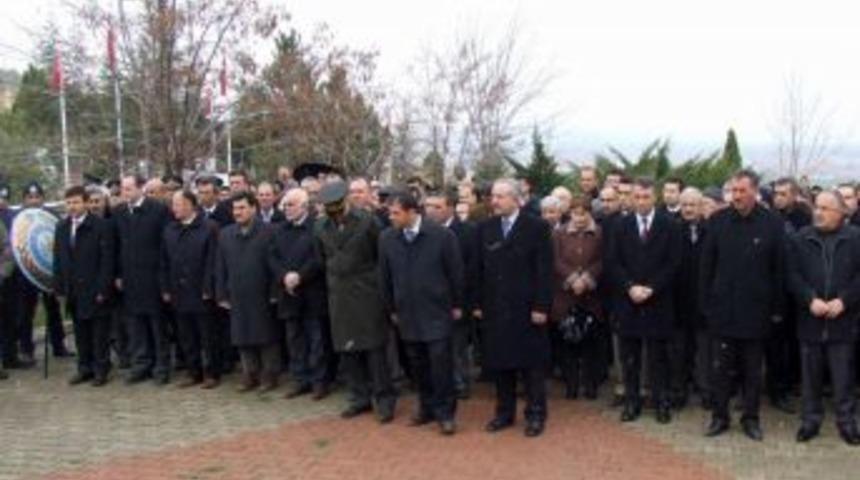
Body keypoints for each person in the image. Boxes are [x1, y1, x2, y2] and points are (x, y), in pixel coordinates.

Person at [701, 170, 786, 441]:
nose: (736, 196)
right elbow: (706, 266)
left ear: (755, 192)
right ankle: (719, 416)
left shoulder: (772, 223)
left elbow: (779, 270)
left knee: (752, 370)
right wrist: (707, 304)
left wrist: (777, 309)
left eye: (741, 191)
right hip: (722, 310)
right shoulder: (717, 221)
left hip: (756, 312)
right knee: (720, 369)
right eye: (733, 191)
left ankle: (751, 418)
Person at [379, 191, 464, 436]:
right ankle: (426, 408)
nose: (391, 217)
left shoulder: (442, 236)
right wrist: (391, 308)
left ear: (411, 211)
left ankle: (445, 414)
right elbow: (384, 277)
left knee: (440, 365)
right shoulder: (387, 238)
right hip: (406, 313)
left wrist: (457, 304)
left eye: (396, 213)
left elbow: (456, 273)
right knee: (418, 365)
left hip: (437, 311)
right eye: (389, 212)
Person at [474, 179, 553, 438]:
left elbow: (544, 271)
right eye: (493, 196)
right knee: (500, 363)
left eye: (500, 196)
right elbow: (478, 269)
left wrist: (541, 305)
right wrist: (477, 303)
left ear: (517, 199)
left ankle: (536, 414)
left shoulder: (537, 227)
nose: (494, 201)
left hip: (527, 308)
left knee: (531, 366)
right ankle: (504, 413)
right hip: (496, 308)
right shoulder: (485, 228)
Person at [316, 181, 397, 424]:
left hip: (367, 294)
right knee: (348, 351)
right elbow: (322, 258)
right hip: (339, 295)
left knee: (374, 351)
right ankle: (359, 397)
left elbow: (380, 257)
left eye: (339, 208)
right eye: (331, 209)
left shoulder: (368, 222)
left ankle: (384, 399)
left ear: (347, 202)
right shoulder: (320, 227)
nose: (336, 214)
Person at [788, 190, 860, 445]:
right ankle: (810, 421)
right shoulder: (801, 238)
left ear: (841, 213)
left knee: (843, 377)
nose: (818, 212)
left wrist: (844, 300)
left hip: (843, 321)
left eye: (826, 208)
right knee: (810, 377)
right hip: (811, 320)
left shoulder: (855, 238)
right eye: (817, 207)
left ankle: (847, 422)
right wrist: (810, 299)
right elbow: (792, 275)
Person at [610, 178, 682, 424]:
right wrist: (629, 287)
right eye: (637, 197)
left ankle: (661, 402)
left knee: (658, 358)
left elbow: (673, 263)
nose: (641, 202)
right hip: (628, 301)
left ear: (655, 198)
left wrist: (651, 288)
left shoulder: (670, 225)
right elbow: (613, 262)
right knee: (630, 357)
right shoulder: (621, 226)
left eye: (645, 197)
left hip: (658, 300)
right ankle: (632, 402)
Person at [216, 192, 280, 392]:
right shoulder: (226, 234)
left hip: (262, 293)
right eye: (235, 209)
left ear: (254, 208)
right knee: (241, 335)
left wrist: (274, 292)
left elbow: (276, 264)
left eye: (242, 208)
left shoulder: (270, 231)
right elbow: (220, 266)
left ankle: (269, 375)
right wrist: (221, 293)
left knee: (266, 336)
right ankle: (249, 373)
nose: (238, 212)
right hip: (237, 293)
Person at [269, 188, 330, 401]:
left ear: (304, 206)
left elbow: (318, 258)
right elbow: (272, 257)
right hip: (288, 294)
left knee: (316, 340)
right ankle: (300, 380)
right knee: (294, 340)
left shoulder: (317, 227)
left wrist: (300, 276)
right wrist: (284, 276)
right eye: (285, 205)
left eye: (291, 204)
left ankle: (319, 382)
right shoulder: (278, 230)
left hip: (312, 293)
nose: (287, 209)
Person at [53, 186, 115, 386]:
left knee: (99, 333)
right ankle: (84, 368)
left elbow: (107, 261)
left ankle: (101, 369)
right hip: (74, 290)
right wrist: (59, 287)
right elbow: (58, 259)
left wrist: (103, 288)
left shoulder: (101, 226)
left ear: (87, 203)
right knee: (80, 332)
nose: (72, 207)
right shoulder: (61, 227)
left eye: (76, 202)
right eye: (69, 203)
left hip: (95, 288)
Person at [114, 175, 172, 385]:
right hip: (130, 278)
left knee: (157, 325)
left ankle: (161, 366)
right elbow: (117, 246)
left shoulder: (158, 210)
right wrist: (118, 274)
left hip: (153, 277)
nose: (125, 193)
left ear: (140, 189)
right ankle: (141, 364)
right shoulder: (119, 213)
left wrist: (164, 278)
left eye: (129, 189)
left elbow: (166, 246)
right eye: (122, 189)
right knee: (136, 324)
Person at [160, 190, 221, 389]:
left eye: (177, 204)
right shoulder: (170, 229)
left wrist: (208, 288)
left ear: (189, 205)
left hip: (201, 291)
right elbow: (164, 261)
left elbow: (213, 261)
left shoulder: (209, 227)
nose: (174, 209)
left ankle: (211, 372)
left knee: (207, 335)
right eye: (173, 204)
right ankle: (193, 372)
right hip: (179, 291)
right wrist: (166, 287)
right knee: (185, 336)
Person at [424, 190, 478, 399]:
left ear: (450, 208)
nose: (431, 211)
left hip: (457, 299)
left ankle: (461, 384)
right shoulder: (424, 232)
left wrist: (464, 302)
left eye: (437, 207)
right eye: (428, 206)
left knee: (457, 346)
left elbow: (471, 269)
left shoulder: (467, 231)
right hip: (430, 300)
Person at [10, 182, 71, 366]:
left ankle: (59, 345)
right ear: (24, 199)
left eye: (37, 197)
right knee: (25, 312)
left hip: (49, 272)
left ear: (43, 198)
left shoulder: (51, 216)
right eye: (30, 197)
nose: (34, 200)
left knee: (53, 311)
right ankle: (26, 349)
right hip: (25, 274)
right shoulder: (17, 218)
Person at [551, 194, 603, 400]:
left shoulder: (600, 233)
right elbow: (555, 260)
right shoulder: (558, 234)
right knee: (567, 343)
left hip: (591, 297)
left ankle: (590, 385)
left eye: (584, 214)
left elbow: (602, 260)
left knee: (591, 343)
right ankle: (571, 385)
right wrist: (573, 279)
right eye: (575, 214)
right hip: (565, 295)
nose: (580, 219)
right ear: (570, 213)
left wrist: (587, 278)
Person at [672, 187, 706, 409]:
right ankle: (678, 391)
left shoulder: (712, 230)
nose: (688, 209)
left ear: (701, 206)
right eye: (684, 205)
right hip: (678, 301)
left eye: (692, 205)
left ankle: (706, 391)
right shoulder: (672, 230)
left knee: (704, 351)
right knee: (679, 351)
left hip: (704, 302)